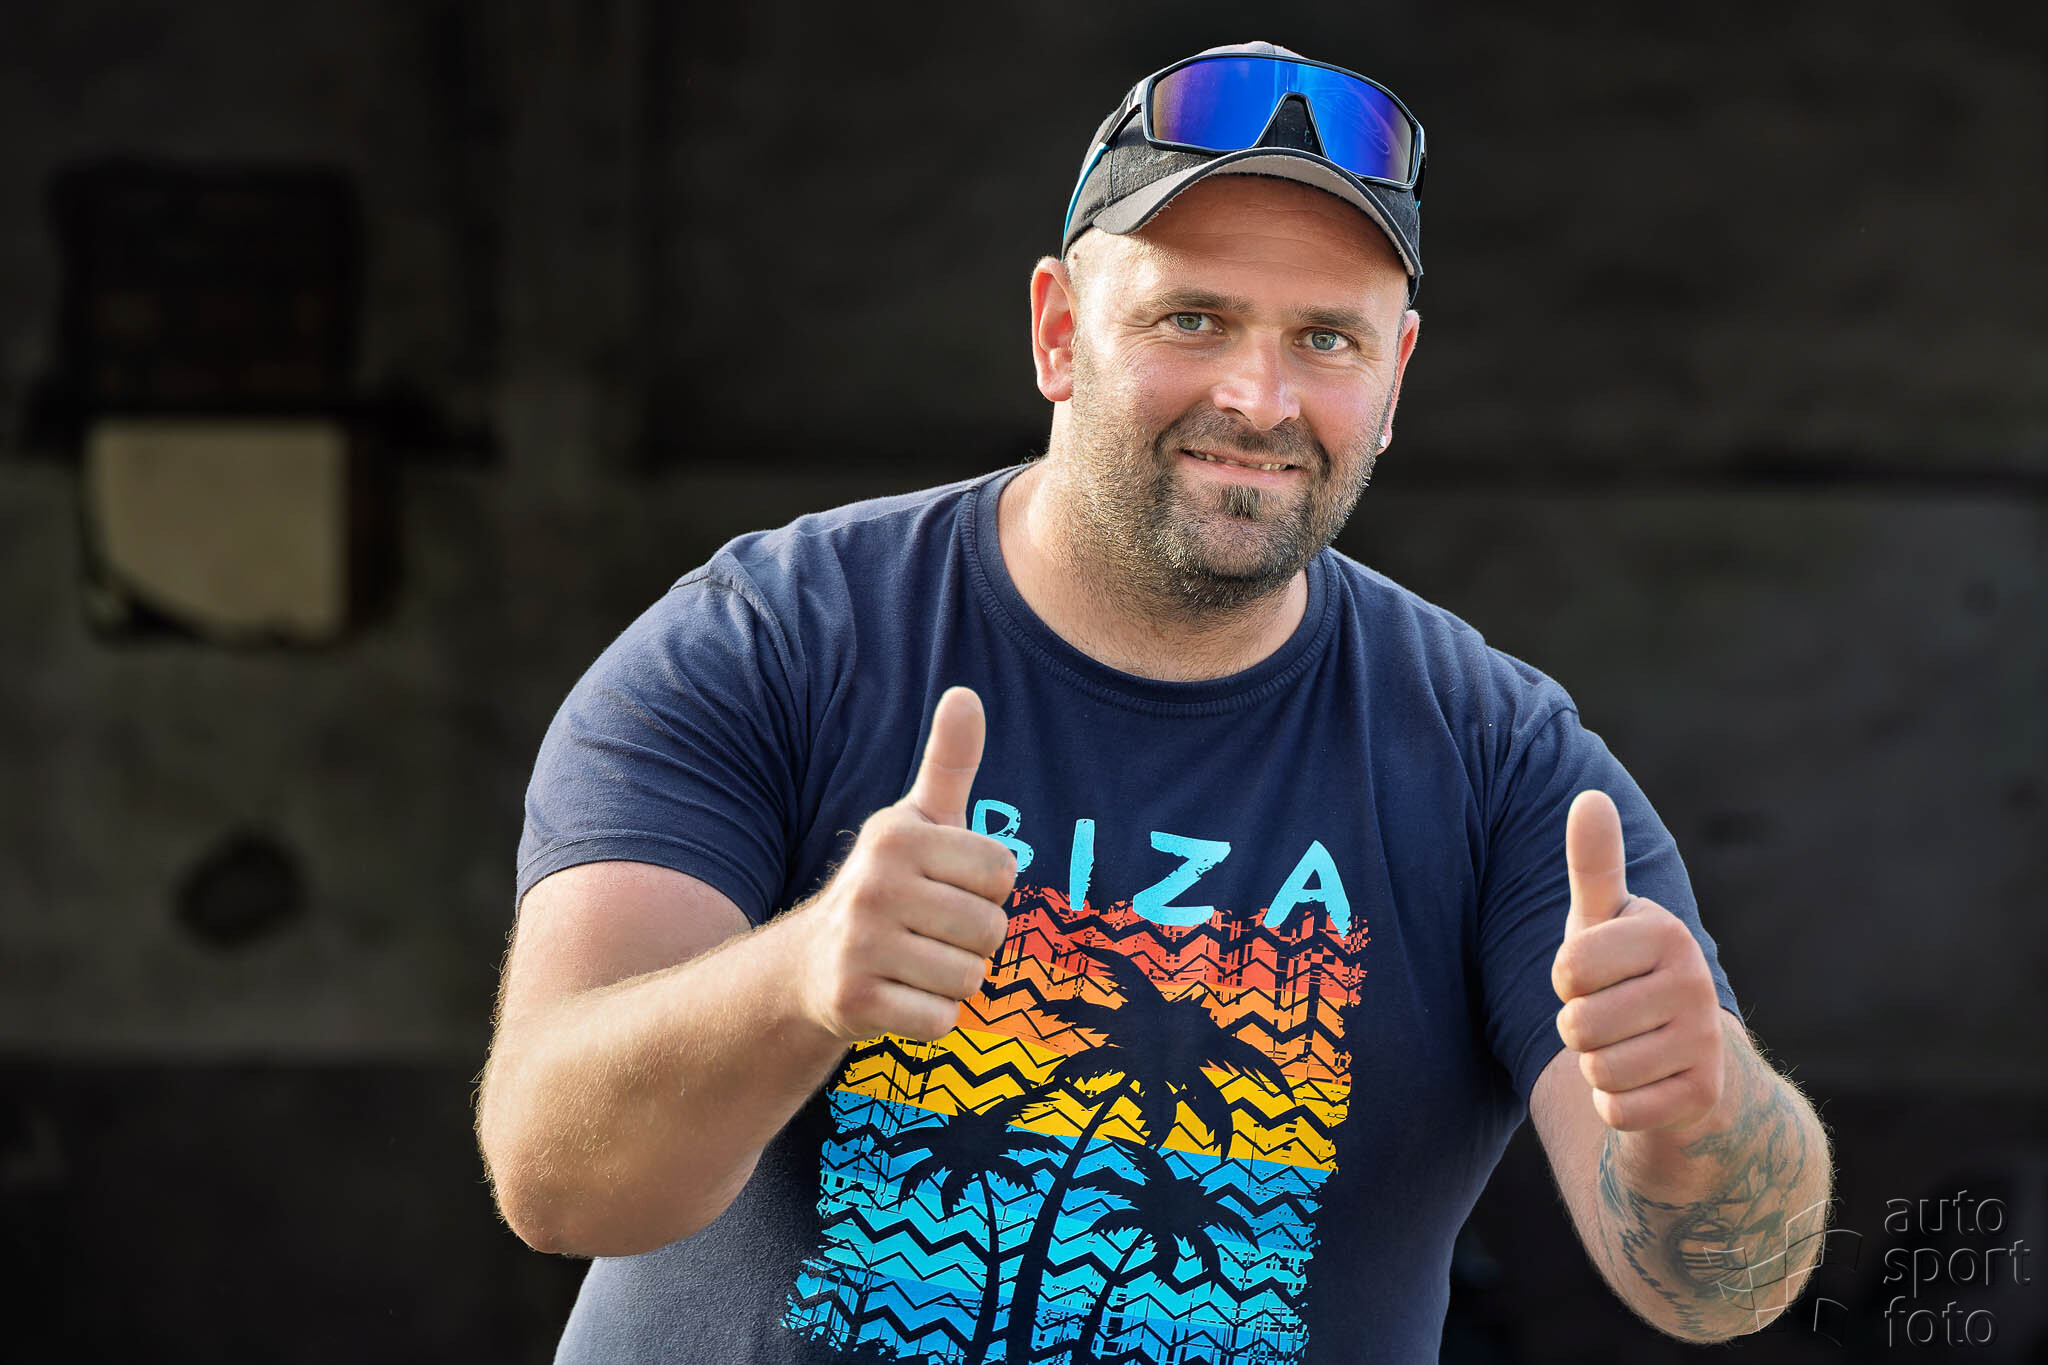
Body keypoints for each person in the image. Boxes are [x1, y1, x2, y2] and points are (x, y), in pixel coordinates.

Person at [476, 41, 1833, 1363]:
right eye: (1194, 320)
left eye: (1327, 339)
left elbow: (1724, 1291)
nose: (1260, 397)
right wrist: (800, 980)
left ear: (1395, 378)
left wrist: (1698, 1118)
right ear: (1060, 332)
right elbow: (554, 1180)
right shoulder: (772, 641)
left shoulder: (1502, 761)